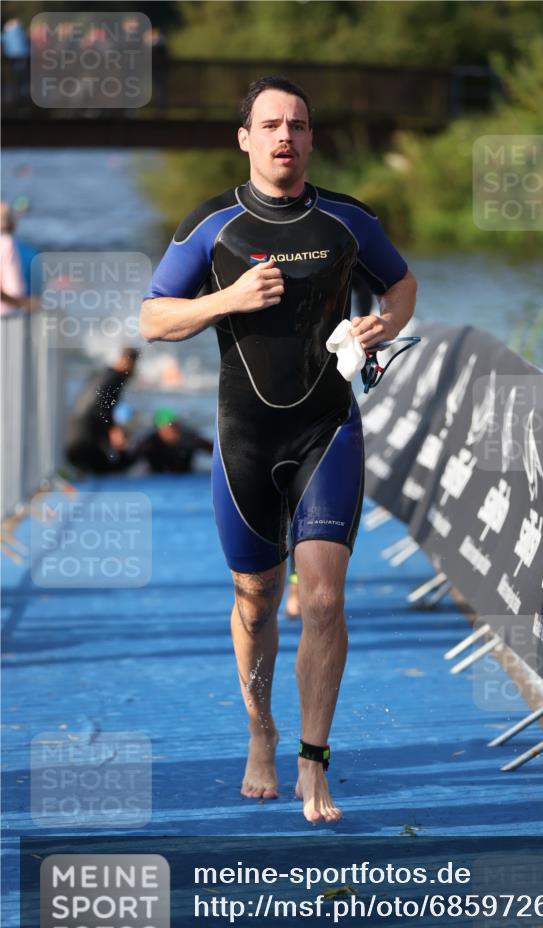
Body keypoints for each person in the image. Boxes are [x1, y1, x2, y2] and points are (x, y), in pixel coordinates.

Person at [140, 76, 417, 822]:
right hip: (244, 436)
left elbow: (401, 285)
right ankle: (260, 731)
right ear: (246, 138)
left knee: (323, 598)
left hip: (328, 427)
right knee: (256, 599)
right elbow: (153, 319)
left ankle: (312, 759)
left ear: (310, 138)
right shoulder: (214, 225)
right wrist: (225, 301)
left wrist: (380, 328)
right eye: (269, 124)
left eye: (296, 124)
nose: (283, 136)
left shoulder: (347, 221)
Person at [65, 347, 139, 475]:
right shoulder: (116, 377)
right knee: (116, 467)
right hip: (85, 443)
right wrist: (113, 430)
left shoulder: (103, 375)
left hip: (74, 441)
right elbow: (101, 408)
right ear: (129, 363)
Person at [134, 407, 213, 473]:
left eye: (176, 425)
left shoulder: (189, 439)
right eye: (169, 426)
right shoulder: (150, 443)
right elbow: (129, 460)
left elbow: (216, 451)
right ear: (159, 429)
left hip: (184, 478)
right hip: (157, 480)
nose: (173, 430)